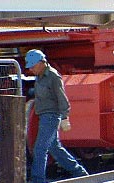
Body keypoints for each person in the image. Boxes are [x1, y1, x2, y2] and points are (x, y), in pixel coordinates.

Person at [25, 49, 88, 183]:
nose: (31, 69)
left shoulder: (53, 76)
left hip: (51, 116)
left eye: (33, 66)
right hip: (43, 116)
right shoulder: (40, 76)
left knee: (40, 148)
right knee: (55, 148)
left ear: (42, 63)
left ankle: (37, 180)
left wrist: (65, 117)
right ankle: (80, 173)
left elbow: (62, 98)